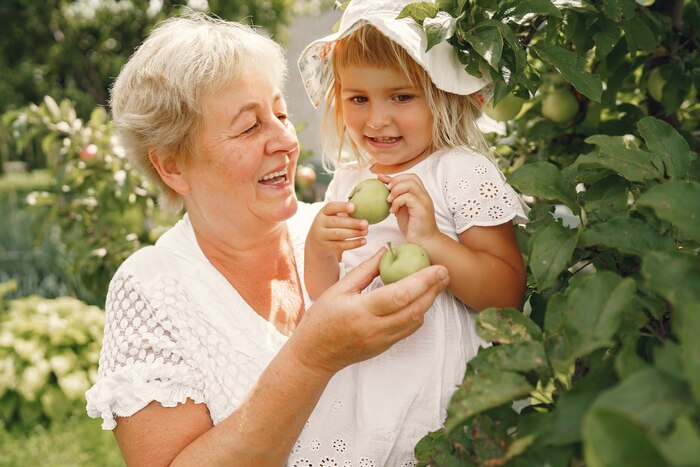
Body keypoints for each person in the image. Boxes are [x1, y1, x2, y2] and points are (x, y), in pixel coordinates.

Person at [83, 12, 452, 466]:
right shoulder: (151, 289)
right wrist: (312, 358)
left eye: (280, 113)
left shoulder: (347, 233)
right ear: (173, 166)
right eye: (249, 126)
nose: (285, 140)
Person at [294, 0, 529, 463]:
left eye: (401, 97)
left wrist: (431, 242)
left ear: (442, 93)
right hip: (362, 373)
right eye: (358, 98)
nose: (377, 119)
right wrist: (319, 248)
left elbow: (506, 294)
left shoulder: (459, 171)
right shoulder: (348, 180)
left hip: (437, 382)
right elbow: (326, 295)